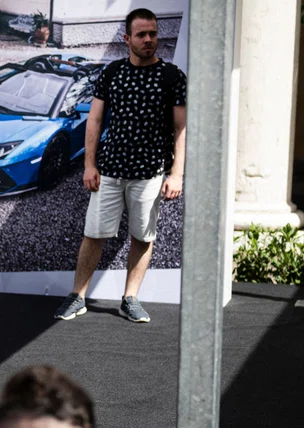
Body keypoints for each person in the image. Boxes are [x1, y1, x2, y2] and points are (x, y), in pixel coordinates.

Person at [54, 8, 187, 324]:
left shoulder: (172, 77)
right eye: (141, 34)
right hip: (110, 171)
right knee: (93, 234)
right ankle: (78, 296)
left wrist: (177, 173)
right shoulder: (112, 73)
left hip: (151, 173)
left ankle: (130, 298)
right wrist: (90, 165)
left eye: (153, 33)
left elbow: (181, 128)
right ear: (127, 38)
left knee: (143, 236)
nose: (149, 40)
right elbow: (95, 121)